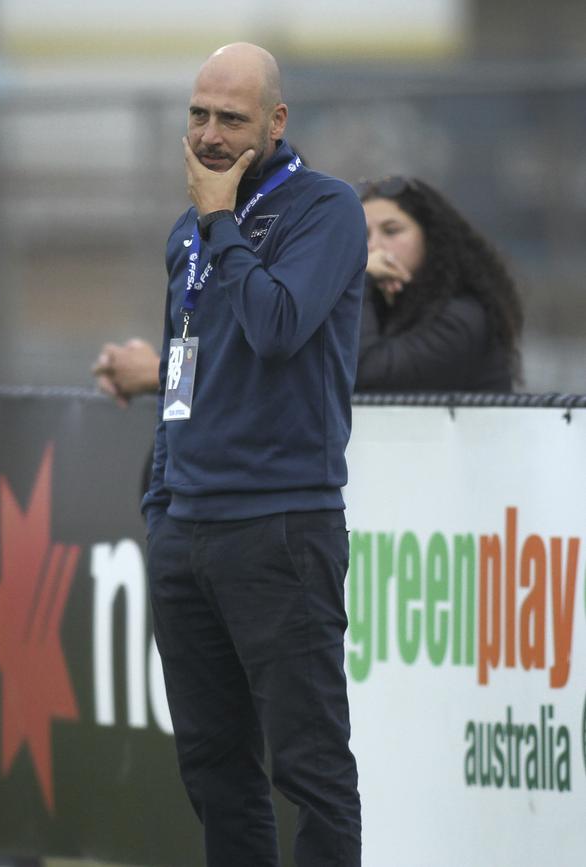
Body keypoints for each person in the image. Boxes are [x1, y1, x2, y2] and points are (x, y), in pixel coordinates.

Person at [142, 42, 366, 867]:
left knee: (309, 770)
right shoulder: (188, 233)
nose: (208, 135)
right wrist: (160, 501)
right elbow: (180, 366)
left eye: (230, 119)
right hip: (188, 527)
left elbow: (276, 327)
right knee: (212, 766)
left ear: (274, 122)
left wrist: (219, 222)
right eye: (198, 114)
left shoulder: (325, 208)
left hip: (280, 527)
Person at [355, 175, 523, 391]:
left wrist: (359, 280)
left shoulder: (462, 318)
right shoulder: (379, 309)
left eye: (391, 231)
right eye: (364, 235)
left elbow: (365, 373)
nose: (374, 247)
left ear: (430, 236)